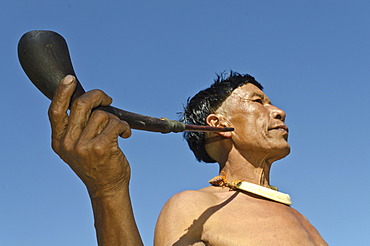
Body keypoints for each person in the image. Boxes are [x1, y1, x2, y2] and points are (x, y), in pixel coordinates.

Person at [49, 72, 327, 245]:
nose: (279, 111)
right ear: (218, 124)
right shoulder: (194, 208)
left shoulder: (302, 219)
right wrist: (108, 190)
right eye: (258, 102)